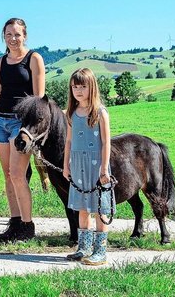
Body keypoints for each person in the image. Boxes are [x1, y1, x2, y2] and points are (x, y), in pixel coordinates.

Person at [0, 18, 46, 241]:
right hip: (0, 122)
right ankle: (15, 223)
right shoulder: (1, 62)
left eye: (17, 34)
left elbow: (39, 99)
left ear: (25, 35)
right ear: (3, 36)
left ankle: (28, 226)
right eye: (9, 34)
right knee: (8, 175)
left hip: (21, 124)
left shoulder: (33, 59)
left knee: (18, 175)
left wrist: (31, 128)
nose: (13, 38)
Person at [62, 68, 114, 266]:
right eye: (75, 86)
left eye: (83, 86)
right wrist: (66, 165)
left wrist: (104, 168)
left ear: (91, 87)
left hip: (96, 166)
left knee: (100, 208)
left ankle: (100, 251)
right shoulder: (72, 113)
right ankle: (83, 248)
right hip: (78, 165)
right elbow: (68, 141)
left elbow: (106, 142)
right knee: (83, 208)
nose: (78, 90)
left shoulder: (100, 112)